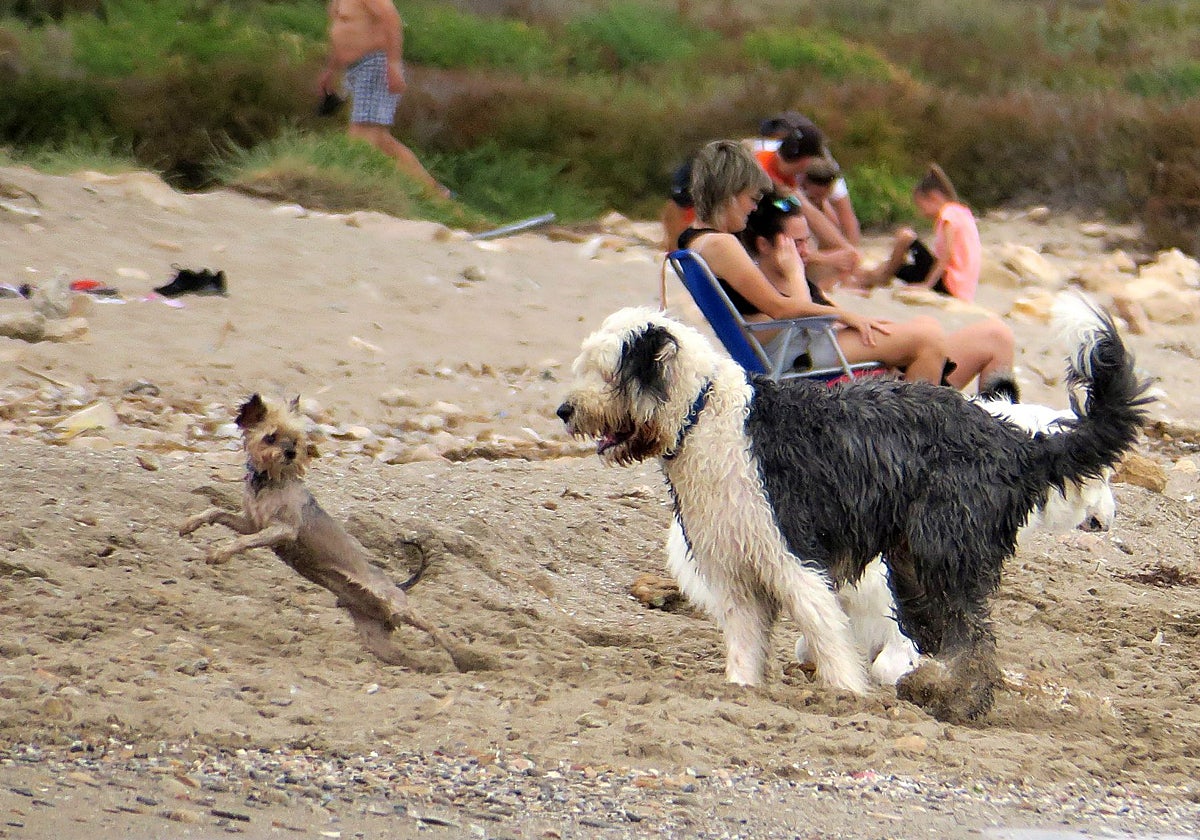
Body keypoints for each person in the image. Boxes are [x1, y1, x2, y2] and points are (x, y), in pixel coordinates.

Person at [678, 140, 948, 384]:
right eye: (751, 198)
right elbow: (781, 309)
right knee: (927, 342)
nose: (752, 208)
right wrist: (844, 314)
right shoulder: (720, 244)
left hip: (788, 345)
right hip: (792, 353)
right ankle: (919, 431)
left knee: (924, 327)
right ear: (731, 194)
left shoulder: (693, 241)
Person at [741, 186, 1015, 392]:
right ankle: (928, 434)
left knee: (996, 334)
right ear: (764, 245)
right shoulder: (763, 283)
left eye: (806, 242)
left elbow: (838, 280)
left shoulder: (794, 277)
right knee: (926, 335)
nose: (804, 251)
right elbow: (799, 327)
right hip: (821, 373)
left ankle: (1000, 432)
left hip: (866, 364)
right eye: (796, 243)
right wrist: (797, 275)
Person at [317, 0, 451, 199]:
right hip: (355, 69)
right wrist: (330, 70)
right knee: (381, 141)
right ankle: (436, 193)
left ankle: (356, 192)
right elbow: (338, 29)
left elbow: (391, 18)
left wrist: (393, 64)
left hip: (374, 65)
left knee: (362, 138)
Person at [753, 124, 861, 288]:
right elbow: (773, 235)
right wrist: (828, 257)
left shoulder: (777, 167)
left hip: (761, 239)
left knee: (801, 212)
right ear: (807, 161)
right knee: (797, 219)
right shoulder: (764, 175)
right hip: (752, 247)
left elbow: (804, 210)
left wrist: (846, 251)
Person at [858, 163, 981, 302]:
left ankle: (880, 278)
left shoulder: (949, 213)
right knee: (899, 268)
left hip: (950, 283)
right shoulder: (961, 212)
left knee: (905, 236)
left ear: (933, 197)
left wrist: (927, 284)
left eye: (921, 207)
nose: (921, 213)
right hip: (961, 288)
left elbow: (947, 254)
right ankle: (870, 278)